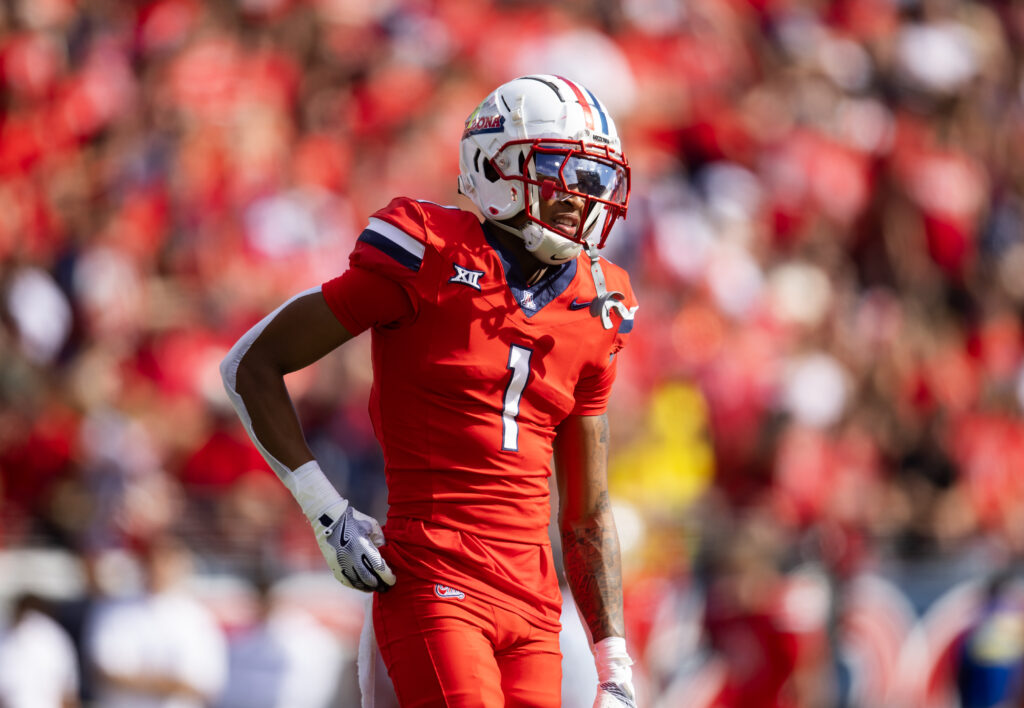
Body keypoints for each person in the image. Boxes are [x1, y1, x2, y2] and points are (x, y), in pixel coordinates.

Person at [220, 74, 638, 707]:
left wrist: (614, 664)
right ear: (496, 166)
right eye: (561, 171)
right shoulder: (427, 252)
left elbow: (586, 511)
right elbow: (252, 364)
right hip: (434, 574)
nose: (579, 197)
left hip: (534, 603)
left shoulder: (599, 305)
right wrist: (325, 512)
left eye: (592, 181)